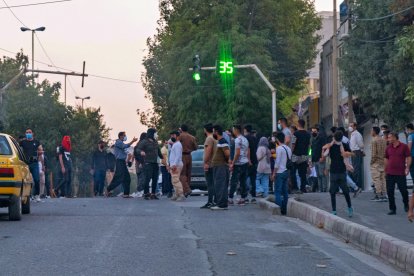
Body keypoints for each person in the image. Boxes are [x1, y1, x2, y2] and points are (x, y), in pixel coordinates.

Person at [322, 131, 354, 217]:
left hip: (333, 171)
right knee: (345, 191)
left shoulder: (331, 146)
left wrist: (326, 168)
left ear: (334, 137)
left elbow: (325, 156)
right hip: (342, 171)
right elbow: (351, 153)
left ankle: (334, 210)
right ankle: (350, 208)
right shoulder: (344, 145)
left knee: (332, 192)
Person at [384, 132, 411, 215]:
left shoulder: (404, 147)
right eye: (388, 137)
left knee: (403, 190)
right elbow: (386, 158)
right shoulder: (388, 148)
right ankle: (392, 209)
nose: (388, 139)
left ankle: (406, 205)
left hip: (400, 173)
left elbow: (409, 157)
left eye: (389, 137)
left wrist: (407, 168)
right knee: (390, 191)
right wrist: (385, 169)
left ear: (395, 138)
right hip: (390, 173)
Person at [105, 132, 137, 198]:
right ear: (120, 136)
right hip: (119, 162)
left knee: (127, 178)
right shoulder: (118, 142)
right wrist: (133, 141)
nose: (125, 137)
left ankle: (126, 194)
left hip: (122, 162)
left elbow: (127, 152)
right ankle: (108, 189)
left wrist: (128, 160)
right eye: (124, 135)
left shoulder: (121, 143)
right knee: (119, 178)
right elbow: (125, 146)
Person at [137, 128, 163, 200]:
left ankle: (153, 193)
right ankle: (146, 193)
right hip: (148, 162)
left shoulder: (155, 142)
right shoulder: (144, 141)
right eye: (155, 133)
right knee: (147, 178)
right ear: (151, 133)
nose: (156, 134)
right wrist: (141, 152)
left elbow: (158, 151)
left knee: (155, 178)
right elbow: (138, 149)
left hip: (155, 163)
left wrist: (162, 156)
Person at [210, 125, 231, 210]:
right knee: (219, 185)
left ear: (216, 132)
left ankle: (221, 204)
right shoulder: (220, 141)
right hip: (219, 166)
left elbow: (227, 153)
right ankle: (222, 203)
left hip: (221, 166)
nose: (212, 133)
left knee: (220, 185)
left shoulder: (223, 141)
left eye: (213, 131)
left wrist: (225, 161)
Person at [228, 124, 250, 206]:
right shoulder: (245, 139)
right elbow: (247, 151)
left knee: (234, 181)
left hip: (238, 163)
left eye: (233, 129)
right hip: (245, 162)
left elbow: (237, 153)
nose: (233, 131)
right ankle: (243, 198)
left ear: (236, 130)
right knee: (243, 181)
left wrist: (232, 163)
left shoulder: (237, 140)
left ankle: (230, 198)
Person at [272, 132, 292, 215]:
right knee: (285, 192)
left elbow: (277, 162)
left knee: (278, 191)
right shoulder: (288, 148)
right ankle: (284, 210)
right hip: (286, 171)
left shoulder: (279, 149)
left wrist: (274, 173)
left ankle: (279, 209)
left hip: (280, 172)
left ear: (277, 139)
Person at [19, 129, 41, 202]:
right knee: (26, 181)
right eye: (27, 132)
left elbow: (40, 150)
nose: (28, 133)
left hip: (34, 163)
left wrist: (41, 161)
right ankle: (28, 195)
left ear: (32, 133)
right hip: (25, 164)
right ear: (25, 134)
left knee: (37, 179)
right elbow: (16, 148)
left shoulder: (36, 142)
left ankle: (37, 195)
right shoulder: (22, 142)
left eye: (30, 132)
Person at [291, 119, 311, 193]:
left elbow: (293, 144)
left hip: (296, 155)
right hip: (304, 155)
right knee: (303, 173)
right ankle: (303, 187)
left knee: (293, 171)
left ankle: (295, 187)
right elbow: (309, 146)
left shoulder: (295, 134)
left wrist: (291, 153)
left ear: (299, 124)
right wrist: (309, 156)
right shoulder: (308, 134)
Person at [179, 124, 198, 197]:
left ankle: (187, 189)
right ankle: (186, 190)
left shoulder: (180, 136)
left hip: (182, 155)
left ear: (181, 129)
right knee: (188, 174)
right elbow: (196, 147)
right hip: (189, 155)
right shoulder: (192, 137)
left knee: (182, 174)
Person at [201, 123, 216, 209]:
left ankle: (210, 201)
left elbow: (208, 151)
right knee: (213, 183)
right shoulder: (214, 137)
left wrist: (205, 162)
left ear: (205, 130)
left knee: (210, 184)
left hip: (209, 164)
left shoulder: (208, 139)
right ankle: (213, 200)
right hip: (213, 163)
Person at [370, 127, 387, 202]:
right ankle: (384, 194)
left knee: (376, 179)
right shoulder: (383, 140)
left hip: (376, 162)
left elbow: (373, 154)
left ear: (374, 131)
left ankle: (378, 195)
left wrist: (371, 162)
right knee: (382, 179)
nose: (371, 132)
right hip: (382, 161)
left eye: (371, 130)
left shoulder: (374, 140)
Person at [311, 125, 327, 192]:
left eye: (314, 131)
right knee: (318, 175)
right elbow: (312, 150)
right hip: (315, 159)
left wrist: (323, 157)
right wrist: (311, 159)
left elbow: (324, 148)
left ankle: (324, 189)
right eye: (312, 131)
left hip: (320, 159)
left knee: (322, 174)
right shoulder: (313, 139)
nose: (313, 133)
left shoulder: (321, 138)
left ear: (318, 132)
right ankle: (320, 189)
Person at [244, 124, 258, 204]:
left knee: (245, 179)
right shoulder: (254, 138)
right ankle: (253, 197)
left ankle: (245, 196)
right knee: (253, 180)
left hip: (248, 161)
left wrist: (248, 160)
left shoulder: (245, 138)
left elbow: (247, 150)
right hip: (255, 160)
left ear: (245, 130)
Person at [169, 132, 185, 201]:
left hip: (176, 165)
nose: (172, 137)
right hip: (174, 165)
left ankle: (181, 195)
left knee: (175, 180)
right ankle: (176, 194)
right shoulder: (175, 144)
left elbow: (178, 156)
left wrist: (174, 165)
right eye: (171, 135)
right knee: (174, 181)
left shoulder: (178, 145)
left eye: (173, 135)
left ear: (177, 136)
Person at [349, 122, 364, 189]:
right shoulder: (352, 134)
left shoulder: (357, 134)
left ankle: (358, 186)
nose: (350, 127)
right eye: (350, 126)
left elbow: (361, 144)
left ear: (355, 127)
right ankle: (355, 186)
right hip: (353, 152)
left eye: (351, 126)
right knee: (354, 169)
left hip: (357, 152)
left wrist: (361, 151)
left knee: (357, 169)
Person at [133, 132, 147, 197]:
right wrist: (141, 163)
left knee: (139, 177)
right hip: (141, 163)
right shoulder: (142, 144)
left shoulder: (138, 144)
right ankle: (140, 191)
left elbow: (135, 154)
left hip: (137, 163)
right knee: (142, 177)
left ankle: (139, 191)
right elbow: (138, 155)